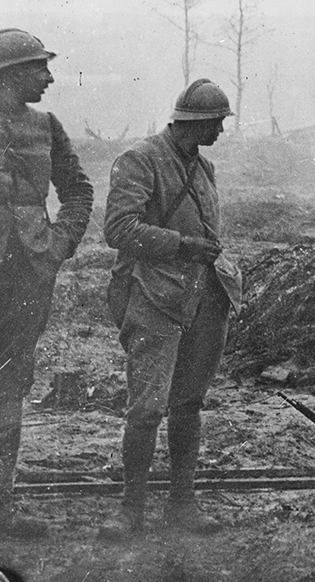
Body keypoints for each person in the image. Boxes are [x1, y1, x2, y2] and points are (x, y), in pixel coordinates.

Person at [101, 79, 242, 538]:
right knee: (145, 409)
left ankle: (182, 506)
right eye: (217, 122)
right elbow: (119, 229)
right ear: (196, 122)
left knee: (189, 404)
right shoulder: (140, 160)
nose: (221, 130)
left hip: (205, 297)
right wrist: (182, 245)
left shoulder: (205, 168)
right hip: (153, 297)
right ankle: (130, 512)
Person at [0, 30, 93, 537]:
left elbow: (77, 190)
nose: (49, 78)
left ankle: (0, 508)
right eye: (39, 68)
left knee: (9, 383)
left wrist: (57, 245)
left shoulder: (46, 126)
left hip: (25, 275)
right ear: (10, 74)